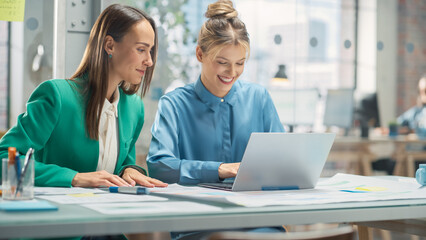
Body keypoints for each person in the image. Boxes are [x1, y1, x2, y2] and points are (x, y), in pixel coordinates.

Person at [147, 0, 284, 238]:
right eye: (222, 63)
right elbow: (159, 167)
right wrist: (219, 170)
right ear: (200, 53)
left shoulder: (259, 98)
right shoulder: (174, 105)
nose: (232, 73)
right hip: (198, 227)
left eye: (240, 63)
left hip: (258, 222)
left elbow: (283, 159)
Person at [0, 4, 167, 189]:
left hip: (107, 213)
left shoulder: (134, 108)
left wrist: (129, 170)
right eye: (141, 49)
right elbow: (4, 158)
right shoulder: (57, 96)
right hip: (57, 213)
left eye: (150, 51)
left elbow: (123, 164)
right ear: (109, 45)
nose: (149, 61)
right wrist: (74, 178)